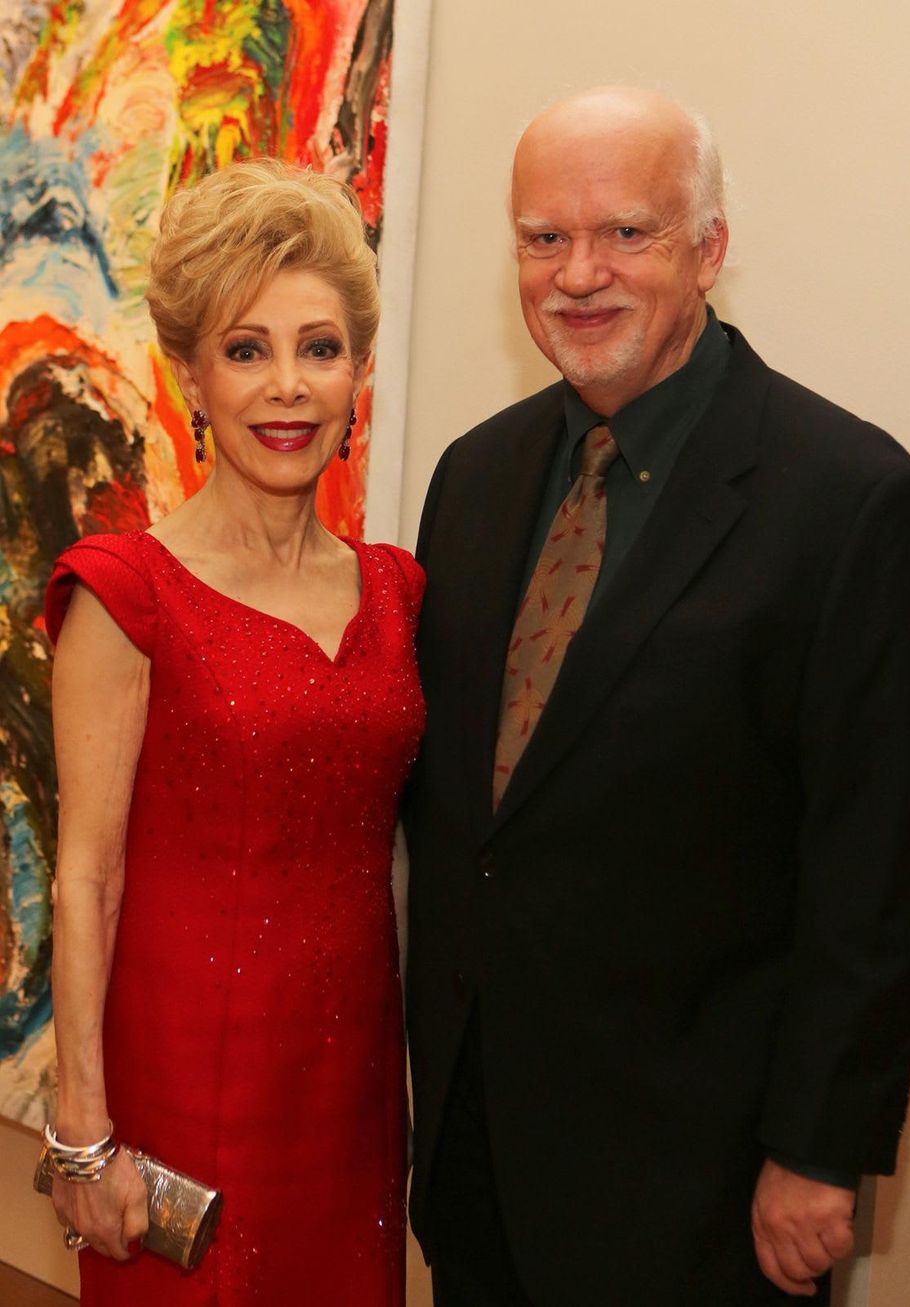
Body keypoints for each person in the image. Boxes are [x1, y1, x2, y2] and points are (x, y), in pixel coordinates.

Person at [404, 87, 910, 1306]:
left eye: (626, 232)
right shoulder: (474, 476)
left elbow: (878, 868)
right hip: (479, 1160)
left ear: (708, 247)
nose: (578, 274)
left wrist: (817, 1149)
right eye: (541, 238)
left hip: (697, 1183)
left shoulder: (855, 506)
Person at [43, 158, 423, 1305]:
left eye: (318, 347)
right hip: (183, 1085)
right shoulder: (125, 589)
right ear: (191, 375)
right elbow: (84, 874)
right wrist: (81, 1131)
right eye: (246, 349)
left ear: (357, 369)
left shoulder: (401, 591)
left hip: (351, 1084)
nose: (286, 387)